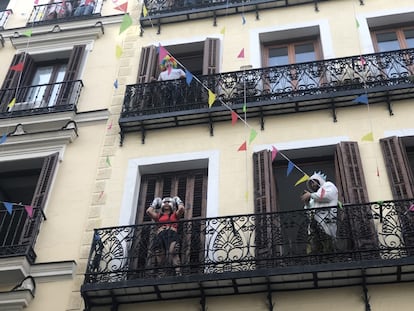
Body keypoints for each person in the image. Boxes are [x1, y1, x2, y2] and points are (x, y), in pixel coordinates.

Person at [301, 171, 338, 253]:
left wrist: (311, 195)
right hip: (314, 226)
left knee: (328, 246)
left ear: (319, 180)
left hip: (326, 222)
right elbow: (308, 212)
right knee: (314, 248)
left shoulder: (328, 185)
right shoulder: (314, 196)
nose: (312, 185)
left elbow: (327, 196)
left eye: (313, 182)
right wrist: (307, 204)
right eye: (310, 184)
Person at [146, 196, 185, 276]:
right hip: (161, 235)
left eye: (169, 202)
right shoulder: (159, 216)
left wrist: (178, 200)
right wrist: (154, 203)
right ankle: (162, 273)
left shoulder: (175, 215)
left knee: (173, 252)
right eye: (164, 202)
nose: (166, 203)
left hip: (172, 234)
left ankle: (178, 272)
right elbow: (149, 211)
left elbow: (181, 209)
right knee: (159, 254)